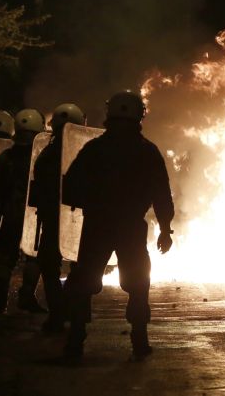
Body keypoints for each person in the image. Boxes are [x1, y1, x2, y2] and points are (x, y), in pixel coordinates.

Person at [61, 90, 174, 361]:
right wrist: (165, 229)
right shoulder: (147, 152)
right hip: (130, 227)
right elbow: (161, 193)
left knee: (83, 281)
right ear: (139, 117)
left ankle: (75, 339)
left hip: (97, 226)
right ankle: (139, 339)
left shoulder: (94, 150)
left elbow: (70, 188)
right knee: (138, 282)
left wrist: (91, 203)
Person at [29, 103, 86, 333]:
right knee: (79, 265)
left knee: (50, 266)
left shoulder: (48, 153)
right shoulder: (85, 151)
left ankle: (59, 312)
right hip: (74, 217)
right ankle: (71, 309)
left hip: (55, 217)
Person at [0, 109, 46, 314]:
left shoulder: (7, 157)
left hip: (10, 213)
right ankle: (26, 296)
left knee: (4, 258)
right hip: (35, 214)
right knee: (35, 256)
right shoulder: (43, 157)